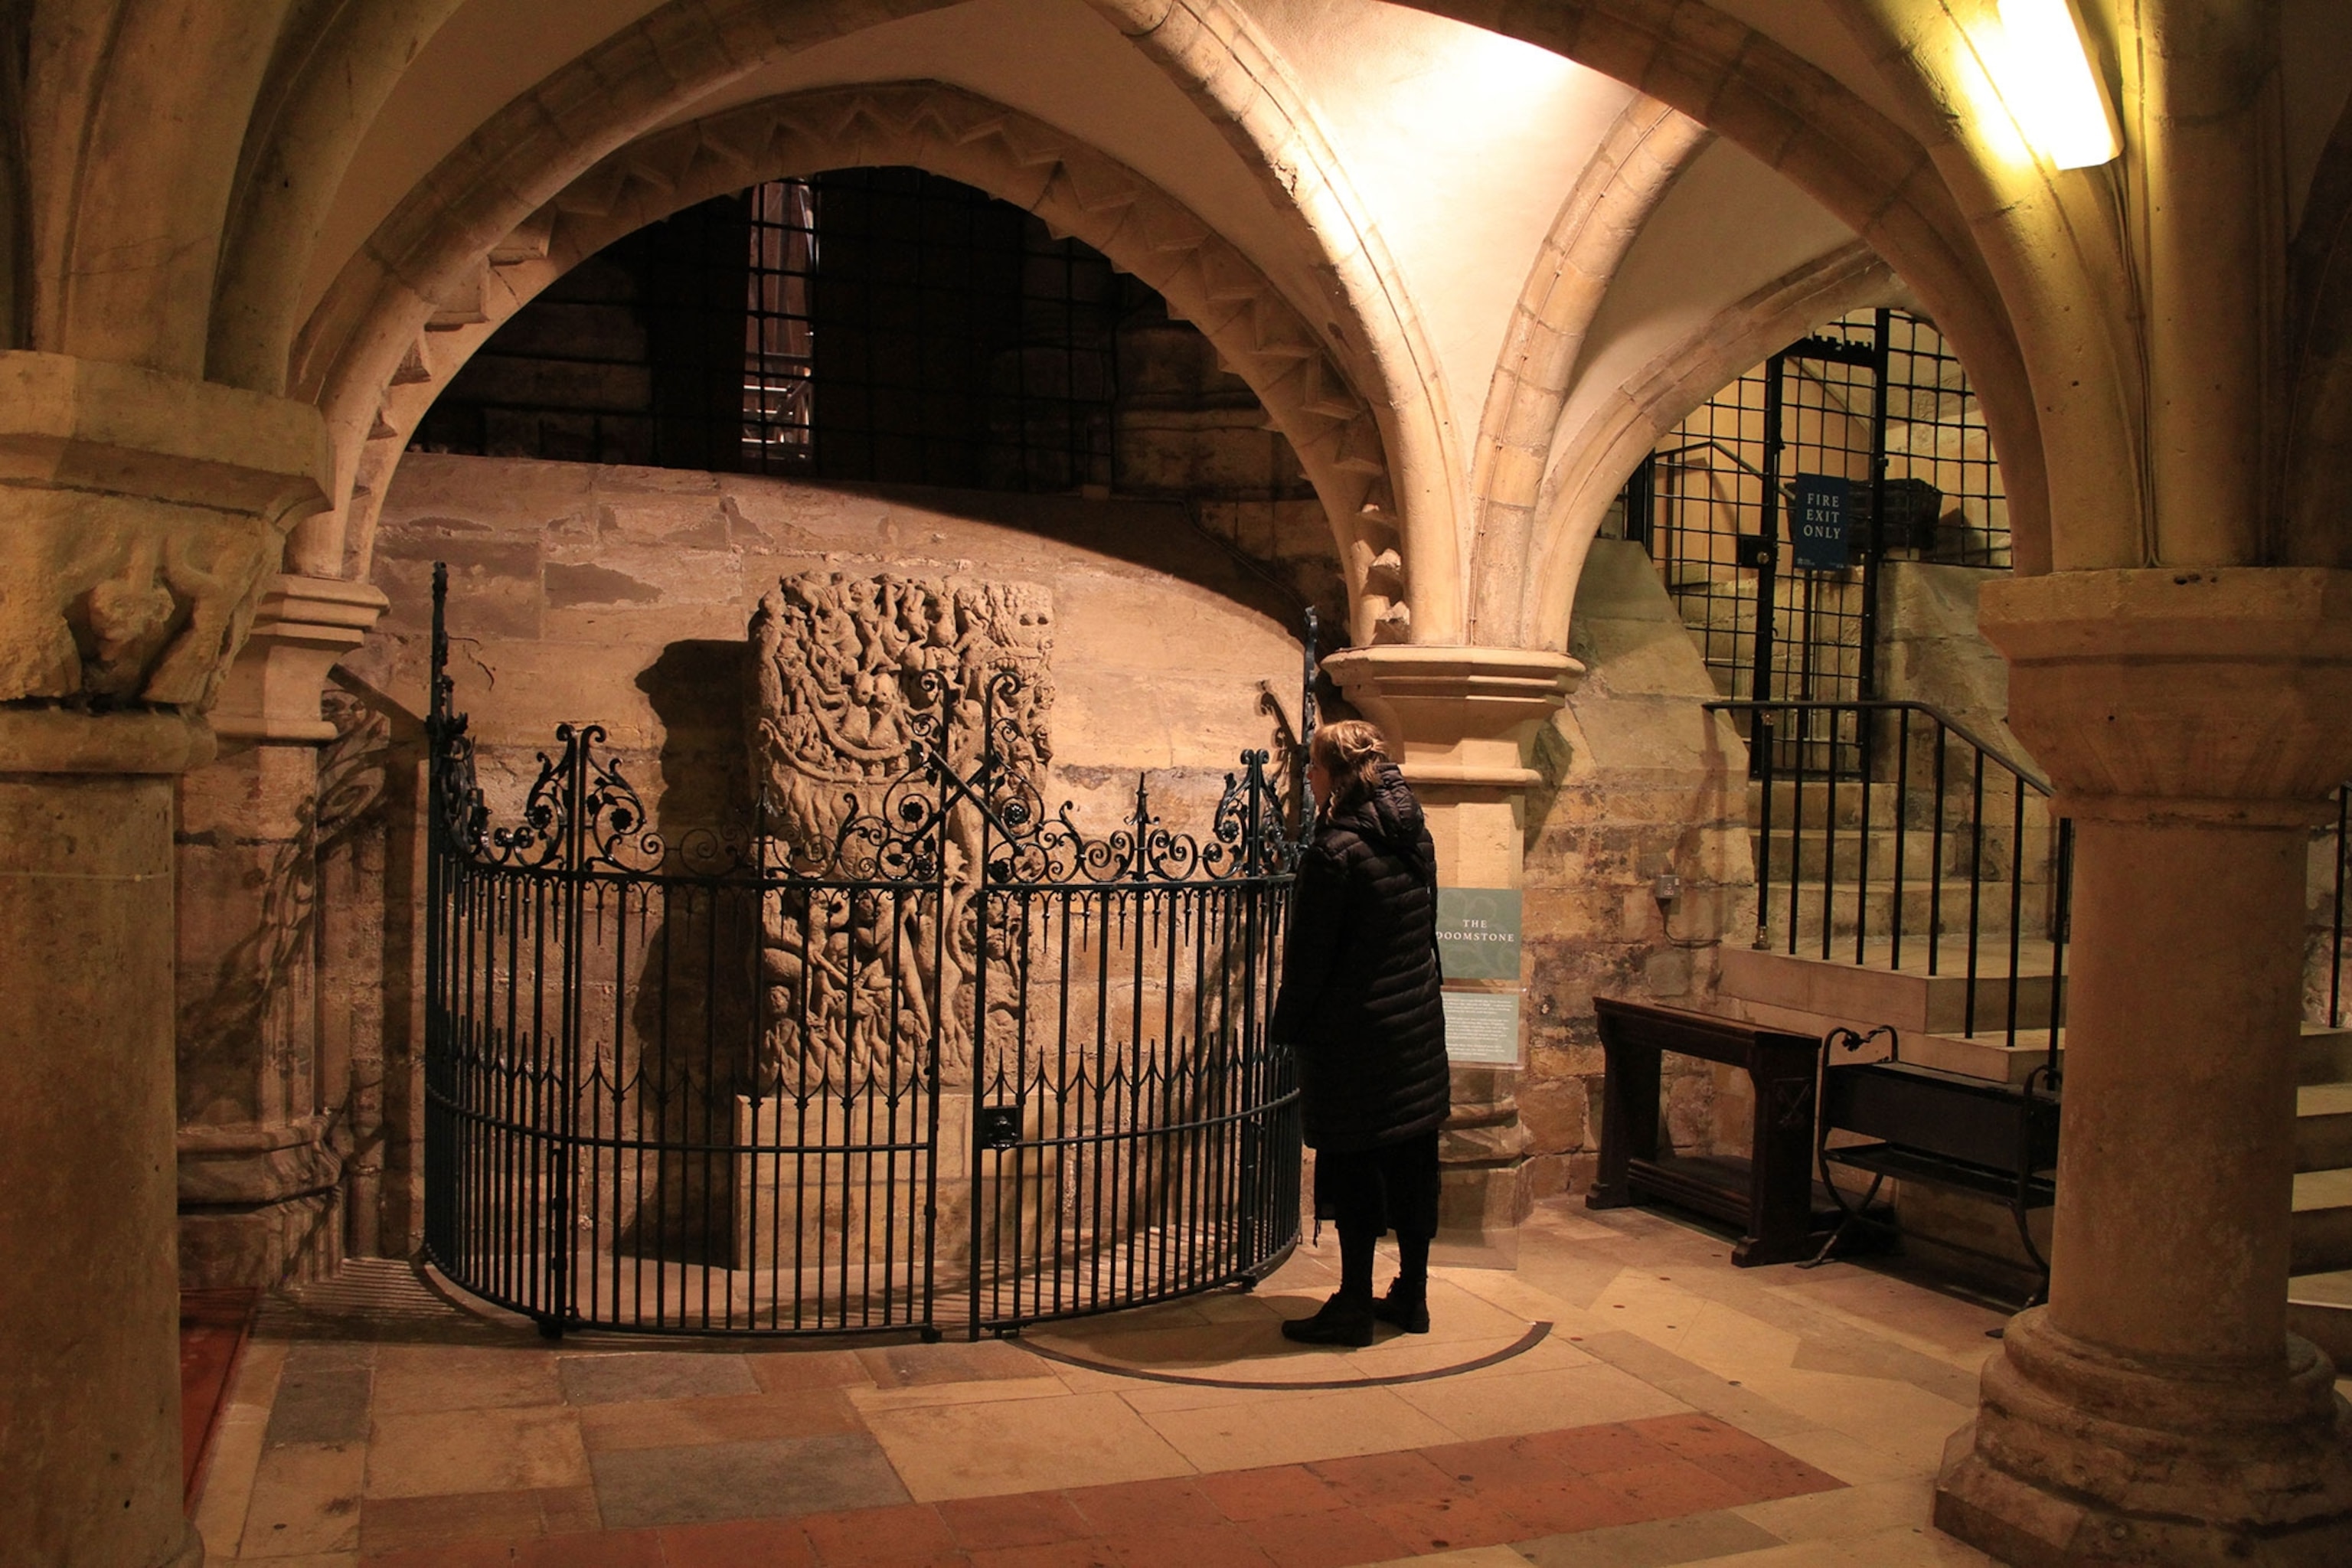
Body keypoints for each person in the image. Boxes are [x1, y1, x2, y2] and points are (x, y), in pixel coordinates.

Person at [1272, 719, 1449, 1346]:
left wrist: (1285, 1028)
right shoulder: (1411, 831)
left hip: (1357, 1035)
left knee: (1352, 1167)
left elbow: (1311, 960)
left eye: (1313, 768)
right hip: (1416, 1026)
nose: (1309, 777)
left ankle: (1351, 1305)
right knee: (1411, 1163)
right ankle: (1413, 1296)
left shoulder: (1335, 851)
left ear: (1335, 775)